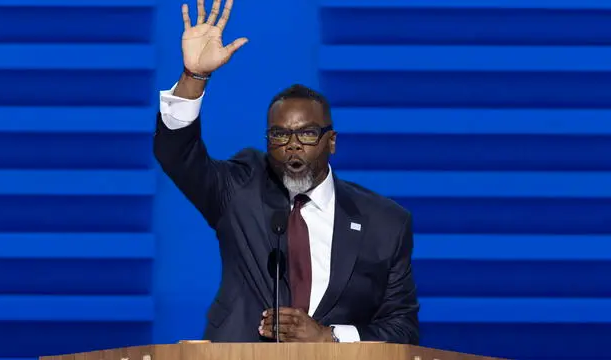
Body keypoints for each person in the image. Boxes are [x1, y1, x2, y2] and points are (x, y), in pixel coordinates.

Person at [154, 0, 419, 344]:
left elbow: (403, 329)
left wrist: (329, 337)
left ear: (331, 141)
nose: (293, 145)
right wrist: (194, 77)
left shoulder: (385, 222)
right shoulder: (240, 189)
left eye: (307, 134)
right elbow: (176, 153)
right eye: (280, 135)